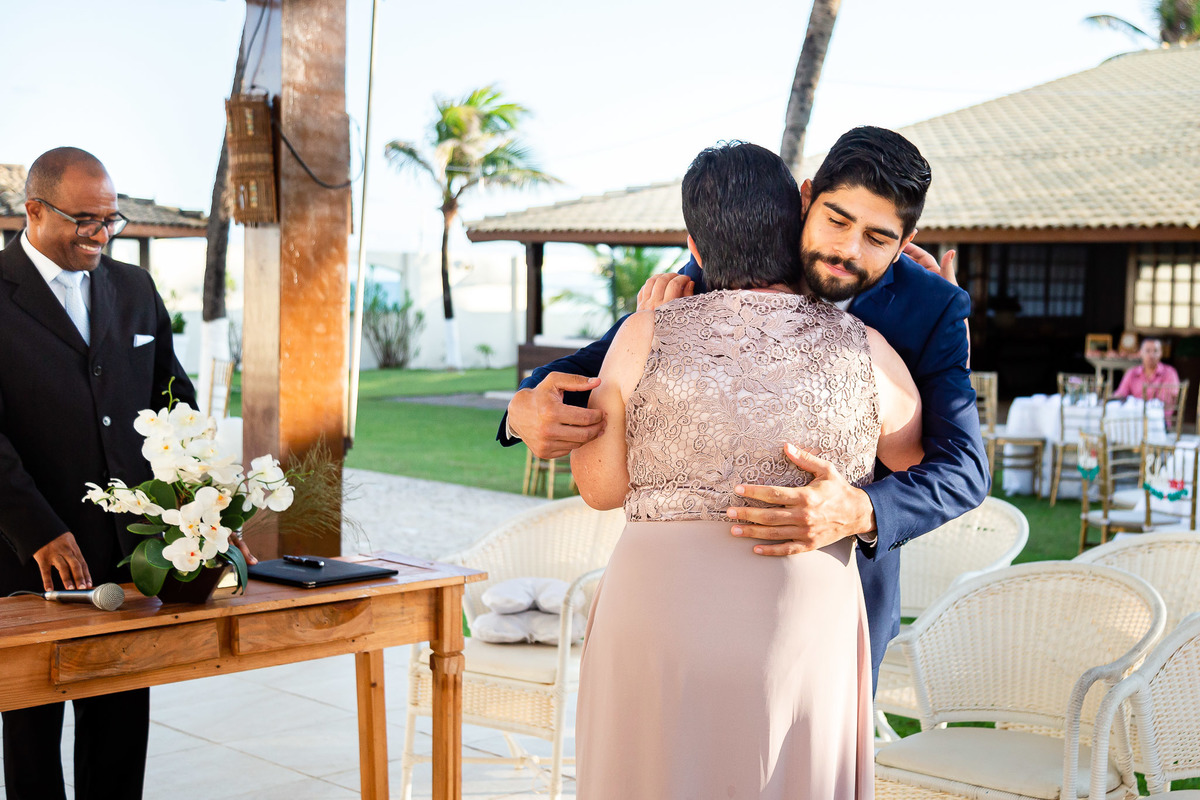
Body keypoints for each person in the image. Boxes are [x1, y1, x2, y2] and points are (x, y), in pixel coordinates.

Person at [499, 126, 989, 685]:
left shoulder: (933, 307)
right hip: (688, 601)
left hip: (837, 594)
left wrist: (858, 510)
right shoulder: (712, 270)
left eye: (878, 238)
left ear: (907, 241)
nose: (847, 251)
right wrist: (521, 410)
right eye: (836, 220)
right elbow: (581, 368)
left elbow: (964, 471)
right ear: (805, 198)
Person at [570, 141, 921, 797]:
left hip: (657, 614)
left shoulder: (644, 335)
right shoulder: (867, 348)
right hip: (800, 618)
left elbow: (601, 487)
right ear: (798, 222)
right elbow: (914, 460)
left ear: (695, 248)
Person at [0, 148, 246, 800]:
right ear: (34, 211)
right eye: (85, 219)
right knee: (30, 737)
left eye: (111, 218)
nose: (102, 234)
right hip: (26, 561)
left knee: (117, 731)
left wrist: (209, 507)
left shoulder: (133, 288)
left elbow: (177, 403)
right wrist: (37, 531)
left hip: (127, 554)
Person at [1112, 338, 1180, 404]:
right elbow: (1121, 392)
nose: (1151, 355)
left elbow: (1168, 399)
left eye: (1155, 351)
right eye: (1147, 351)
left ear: (1161, 353)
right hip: (1135, 413)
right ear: (1140, 353)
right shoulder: (1132, 372)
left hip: (1160, 413)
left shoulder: (1169, 372)